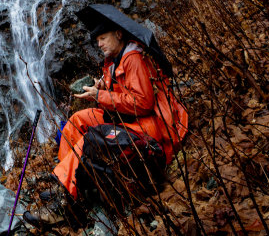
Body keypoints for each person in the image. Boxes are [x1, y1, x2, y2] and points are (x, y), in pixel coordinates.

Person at [25, 14, 186, 227]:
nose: (98, 44)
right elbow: (121, 90)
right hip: (123, 118)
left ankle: (65, 204)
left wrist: (99, 96)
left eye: (102, 38)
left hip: (145, 126)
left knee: (91, 139)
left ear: (118, 34)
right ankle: (64, 182)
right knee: (76, 120)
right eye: (97, 39)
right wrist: (101, 86)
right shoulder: (113, 60)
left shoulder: (133, 59)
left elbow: (143, 103)